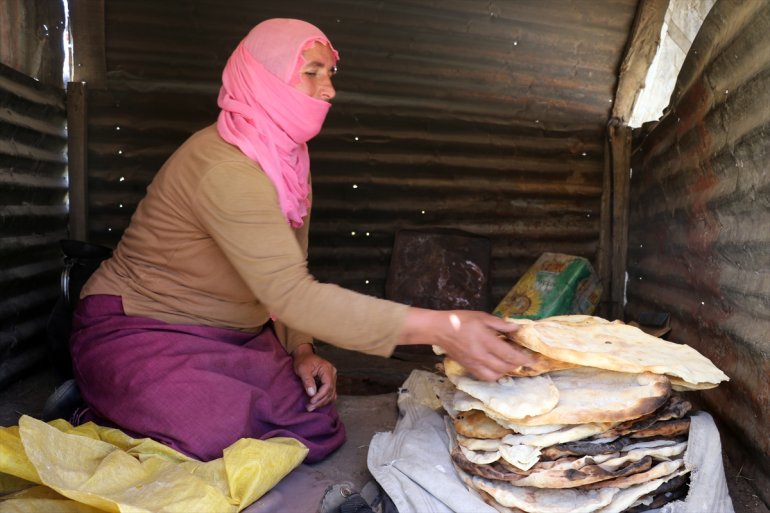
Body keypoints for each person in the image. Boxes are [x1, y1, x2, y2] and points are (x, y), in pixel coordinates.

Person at [69, 18, 533, 463]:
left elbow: (290, 270)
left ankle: (148, 403)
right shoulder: (225, 168)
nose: (328, 88)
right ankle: (98, 400)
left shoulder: (288, 160)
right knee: (214, 436)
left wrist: (302, 349)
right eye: (310, 74)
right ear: (262, 80)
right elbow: (292, 294)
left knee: (313, 424)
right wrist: (443, 328)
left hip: (235, 339)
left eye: (329, 73)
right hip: (143, 331)